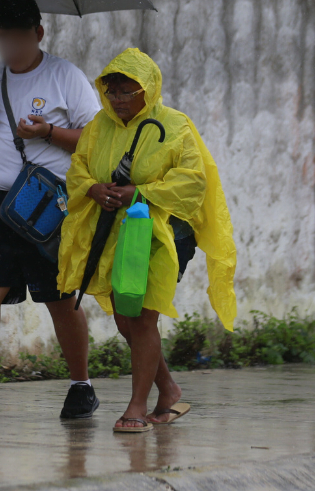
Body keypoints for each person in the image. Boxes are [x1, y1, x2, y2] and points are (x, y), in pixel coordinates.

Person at [0, 0, 101, 423]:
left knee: (60, 297)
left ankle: (81, 385)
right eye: (3, 38)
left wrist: (48, 132)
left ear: (38, 33)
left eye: (18, 38)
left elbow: (95, 139)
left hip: (48, 201)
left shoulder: (66, 77)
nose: (11, 48)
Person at [57, 47, 237, 433]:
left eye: (127, 91)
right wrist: (92, 190)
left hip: (163, 235)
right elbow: (77, 169)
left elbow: (192, 181)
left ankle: (137, 407)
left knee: (141, 317)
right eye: (112, 92)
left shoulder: (175, 126)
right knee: (126, 319)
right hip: (115, 237)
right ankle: (168, 389)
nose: (118, 100)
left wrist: (139, 193)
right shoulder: (98, 127)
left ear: (148, 90)